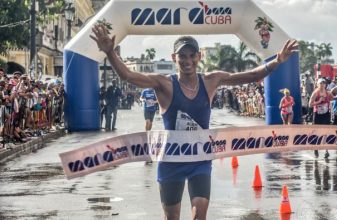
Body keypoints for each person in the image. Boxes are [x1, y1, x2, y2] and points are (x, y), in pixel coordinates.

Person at [90, 23, 298, 220]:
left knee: (199, 216)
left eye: (191, 56)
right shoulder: (164, 84)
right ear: (174, 57)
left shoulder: (210, 80)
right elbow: (128, 75)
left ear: (199, 57)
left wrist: (278, 60)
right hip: (171, 160)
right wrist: (110, 52)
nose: (187, 61)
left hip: (200, 160)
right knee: (172, 217)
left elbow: (252, 76)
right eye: (182, 56)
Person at [309, 78, 332, 158]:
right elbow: (310, 104)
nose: (322, 85)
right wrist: (319, 102)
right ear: (318, 84)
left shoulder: (328, 93)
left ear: (325, 84)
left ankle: (326, 150)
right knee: (317, 132)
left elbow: (333, 98)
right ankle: (316, 148)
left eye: (323, 83)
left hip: (326, 114)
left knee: (325, 132)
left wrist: (336, 96)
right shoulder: (315, 93)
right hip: (317, 114)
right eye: (321, 83)